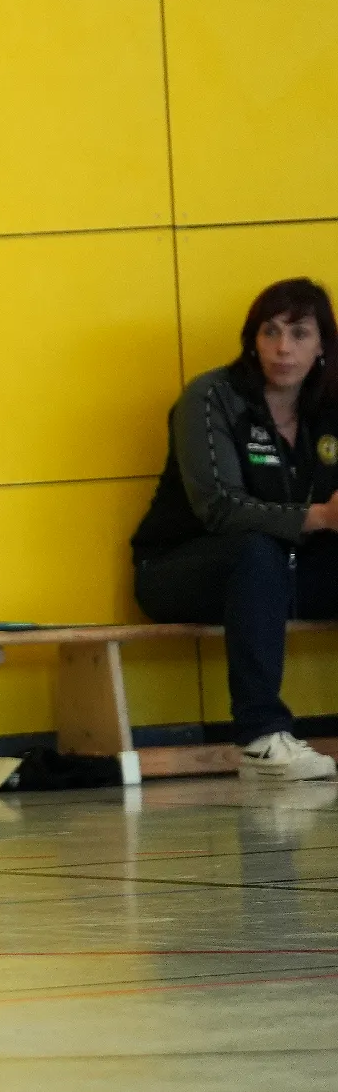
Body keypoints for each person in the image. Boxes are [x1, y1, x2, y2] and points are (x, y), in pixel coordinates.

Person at [132, 277, 338, 782]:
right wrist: (316, 517)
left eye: (299, 333)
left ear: (322, 346)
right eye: (270, 332)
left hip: (290, 568)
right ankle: (260, 736)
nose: (283, 348)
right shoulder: (211, 398)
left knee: (272, 556)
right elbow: (219, 507)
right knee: (256, 550)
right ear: (252, 339)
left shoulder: (330, 408)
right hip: (183, 567)